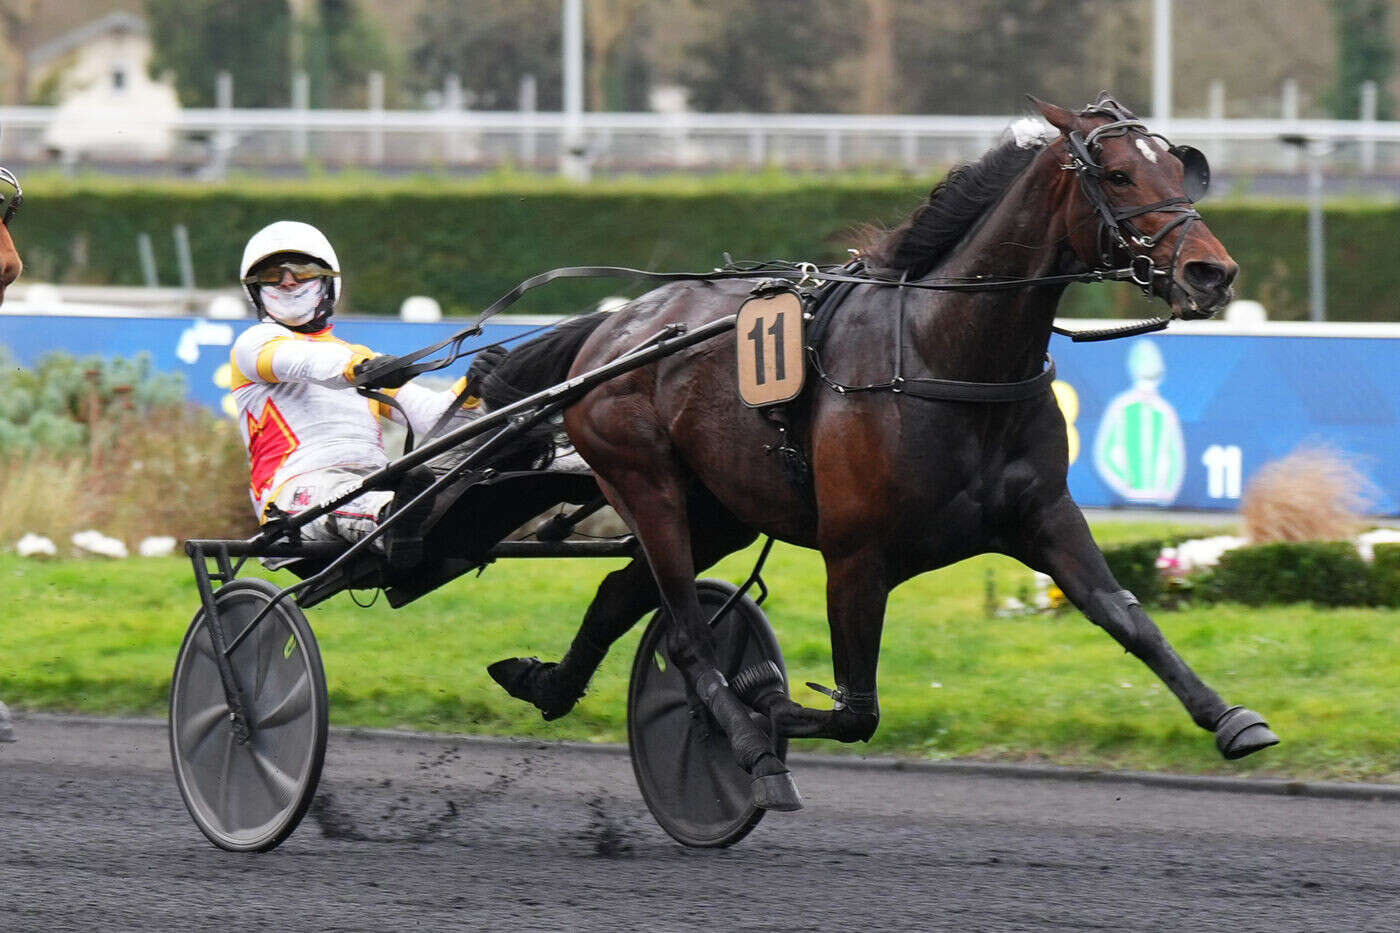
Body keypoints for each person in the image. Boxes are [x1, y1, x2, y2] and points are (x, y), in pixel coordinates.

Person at [229, 220, 498, 567]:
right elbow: (305, 361)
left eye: (302, 269)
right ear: (255, 290)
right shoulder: (254, 345)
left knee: (452, 471)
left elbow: (439, 421)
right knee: (349, 492)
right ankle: (389, 518)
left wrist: (472, 389)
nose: (288, 280)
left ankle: (400, 514)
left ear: (328, 282)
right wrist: (362, 368)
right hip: (290, 504)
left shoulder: (356, 358)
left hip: (373, 480)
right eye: (271, 274)